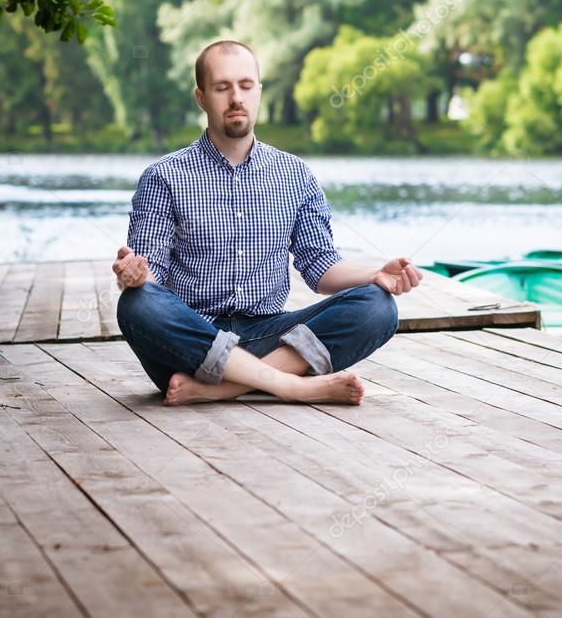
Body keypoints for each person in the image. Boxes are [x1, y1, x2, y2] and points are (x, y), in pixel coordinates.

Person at [113, 39, 423, 407]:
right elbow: (151, 279)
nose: (236, 98)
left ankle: (225, 388)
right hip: (190, 342)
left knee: (378, 306)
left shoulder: (295, 174)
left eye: (245, 86)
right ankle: (290, 386)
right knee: (136, 305)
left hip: (270, 336)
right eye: (222, 87)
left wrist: (374, 274)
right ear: (201, 98)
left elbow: (321, 268)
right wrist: (133, 277)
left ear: (259, 91)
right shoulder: (163, 177)